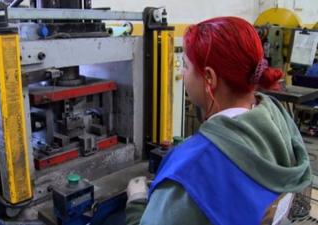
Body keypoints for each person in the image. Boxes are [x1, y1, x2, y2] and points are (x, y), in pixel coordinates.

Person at [125, 17, 311, 225]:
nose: (181, 74)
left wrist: (136, 202)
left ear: (209, 78)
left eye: (185, 66)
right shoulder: (277, 117)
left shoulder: (191, 171)